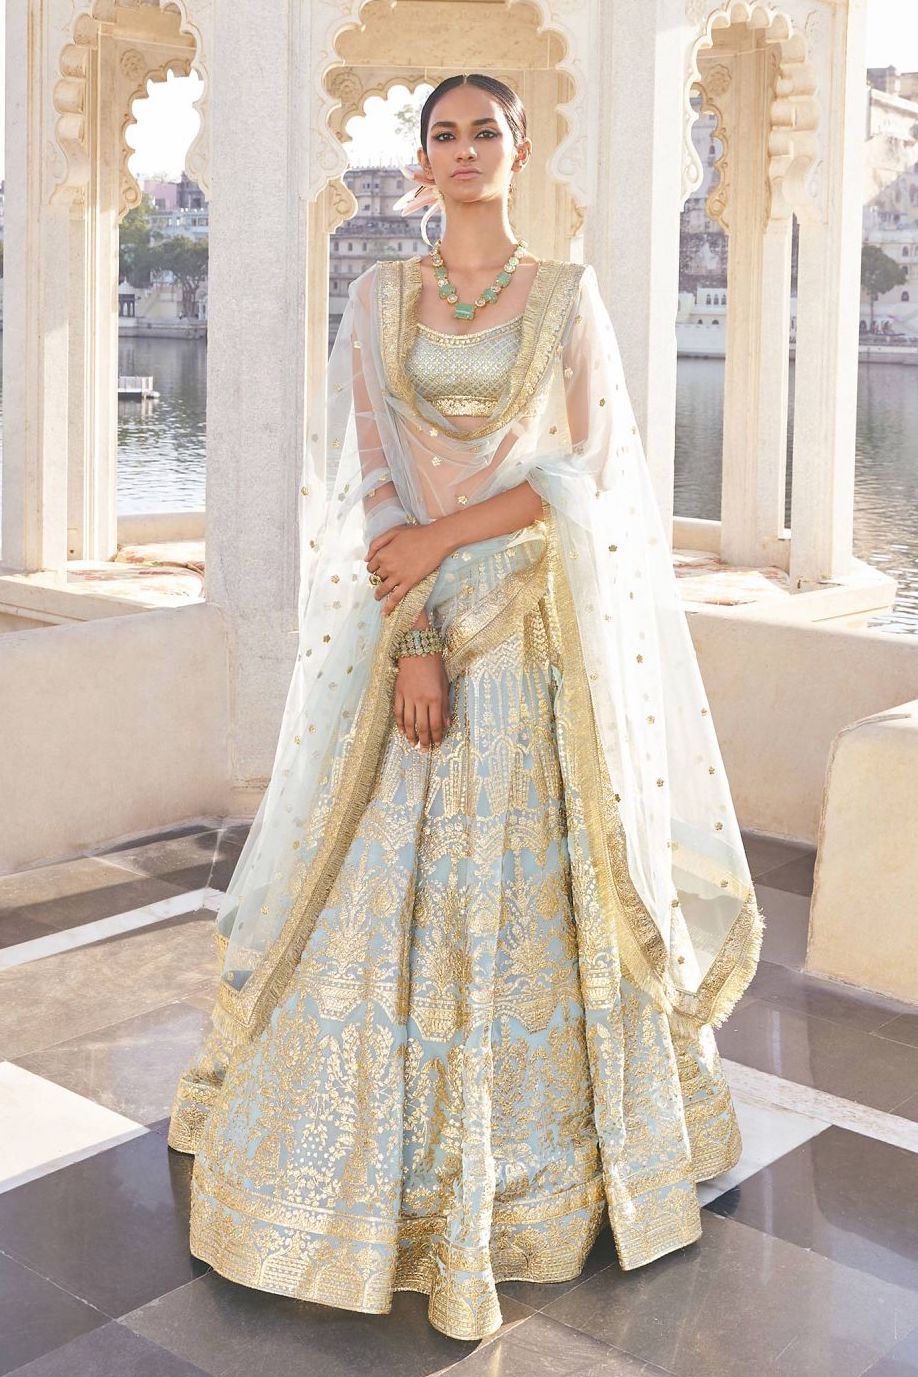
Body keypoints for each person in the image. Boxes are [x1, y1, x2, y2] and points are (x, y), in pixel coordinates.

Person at [168, 72, 764, 1343]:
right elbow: (371, 475)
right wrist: (419, 636)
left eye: (485, 130)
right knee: (376, 875)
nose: (464, 149)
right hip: (418, 626)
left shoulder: (564, 295)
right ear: (422, 161)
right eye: (443, 134)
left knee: (533, 887)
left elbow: (589, 471)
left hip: (531, 627)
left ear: (519, 149)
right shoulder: (383, 297)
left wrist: (447, 541)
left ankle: (543, 1176)